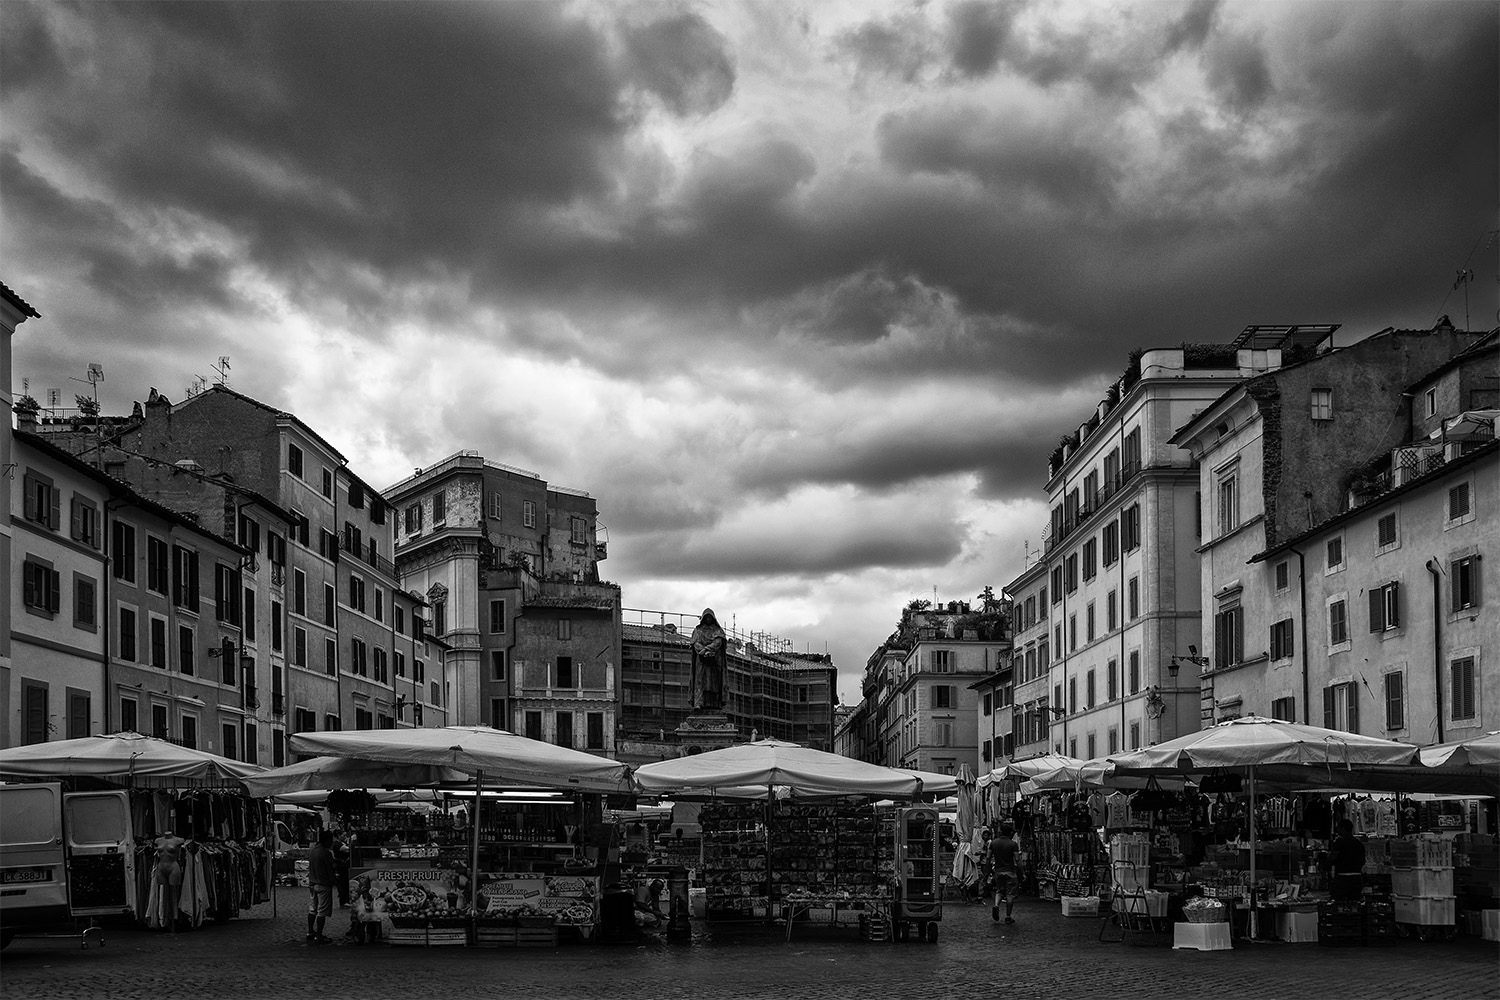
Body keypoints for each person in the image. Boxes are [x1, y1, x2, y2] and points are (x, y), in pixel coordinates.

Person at [689, 608, 727, 712]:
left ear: (713, 618)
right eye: (707, 617)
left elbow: (718, 642)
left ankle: (714, 703)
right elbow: (695, 643)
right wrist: (702, 651)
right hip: (701, 660)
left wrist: (706, 649)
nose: (708, 619)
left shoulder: (718, 630)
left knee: (713, 683)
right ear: (703, 618)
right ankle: (698, 703)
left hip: (714, 660)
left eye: (710, 617)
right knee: (699, 680)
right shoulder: (698, 630)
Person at [152, 831, 186, 932]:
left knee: (173, 894)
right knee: (163, 895)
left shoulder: (178, 840)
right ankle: (165, 918)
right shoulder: (158, 840)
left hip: (173, 867)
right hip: (161, 867)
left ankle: (174, 918)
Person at [988, 821, 1020, 924]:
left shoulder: (993, 843)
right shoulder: (1013, 844)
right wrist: (1022, 872)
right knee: (1010, 894)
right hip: (1010, 871)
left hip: (998, 871)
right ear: (1010, 833)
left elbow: (988, 857)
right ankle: (1008, 916)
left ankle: (996, 905)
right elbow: (1017, 859)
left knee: (999, 891)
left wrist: (987, 871)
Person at [307, 830, 336, 944]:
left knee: (312, 909)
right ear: (327, 840)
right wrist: (336, 883)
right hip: (323, 884)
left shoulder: (312, 851)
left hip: (312, 883)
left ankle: (310, 932)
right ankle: (319, 935)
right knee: (322, 912)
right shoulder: (326, 853)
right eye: (331, 840)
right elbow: (330, 871)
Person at [1329, 819, 1366, 902]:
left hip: (1342, 877)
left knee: (1338, 903)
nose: (1337, 829)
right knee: (1354, 903)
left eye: (1338, 827)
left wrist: (1328, 862)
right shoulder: (1358, 844)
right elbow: (1363, 861)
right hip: (1356, 878)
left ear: (1343, 828)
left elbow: (1333, 857)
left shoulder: (1339, 842)